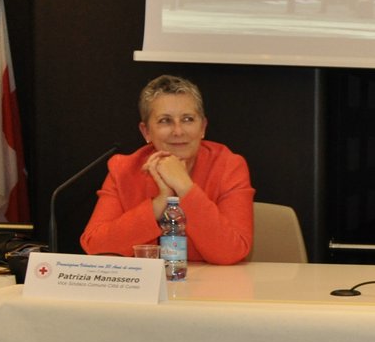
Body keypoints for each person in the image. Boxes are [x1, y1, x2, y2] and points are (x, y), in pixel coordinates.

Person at [80, 74, 254, 264]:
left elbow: (231, 251)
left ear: (203, 127)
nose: (178, 131)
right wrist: (160, 203)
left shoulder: (229, 166)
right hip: (143, 290)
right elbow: (95, 245)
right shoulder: (123, 169)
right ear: (146, 131)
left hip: (212, 288)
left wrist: (185, 187)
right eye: (165, 121)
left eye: (188, 119)